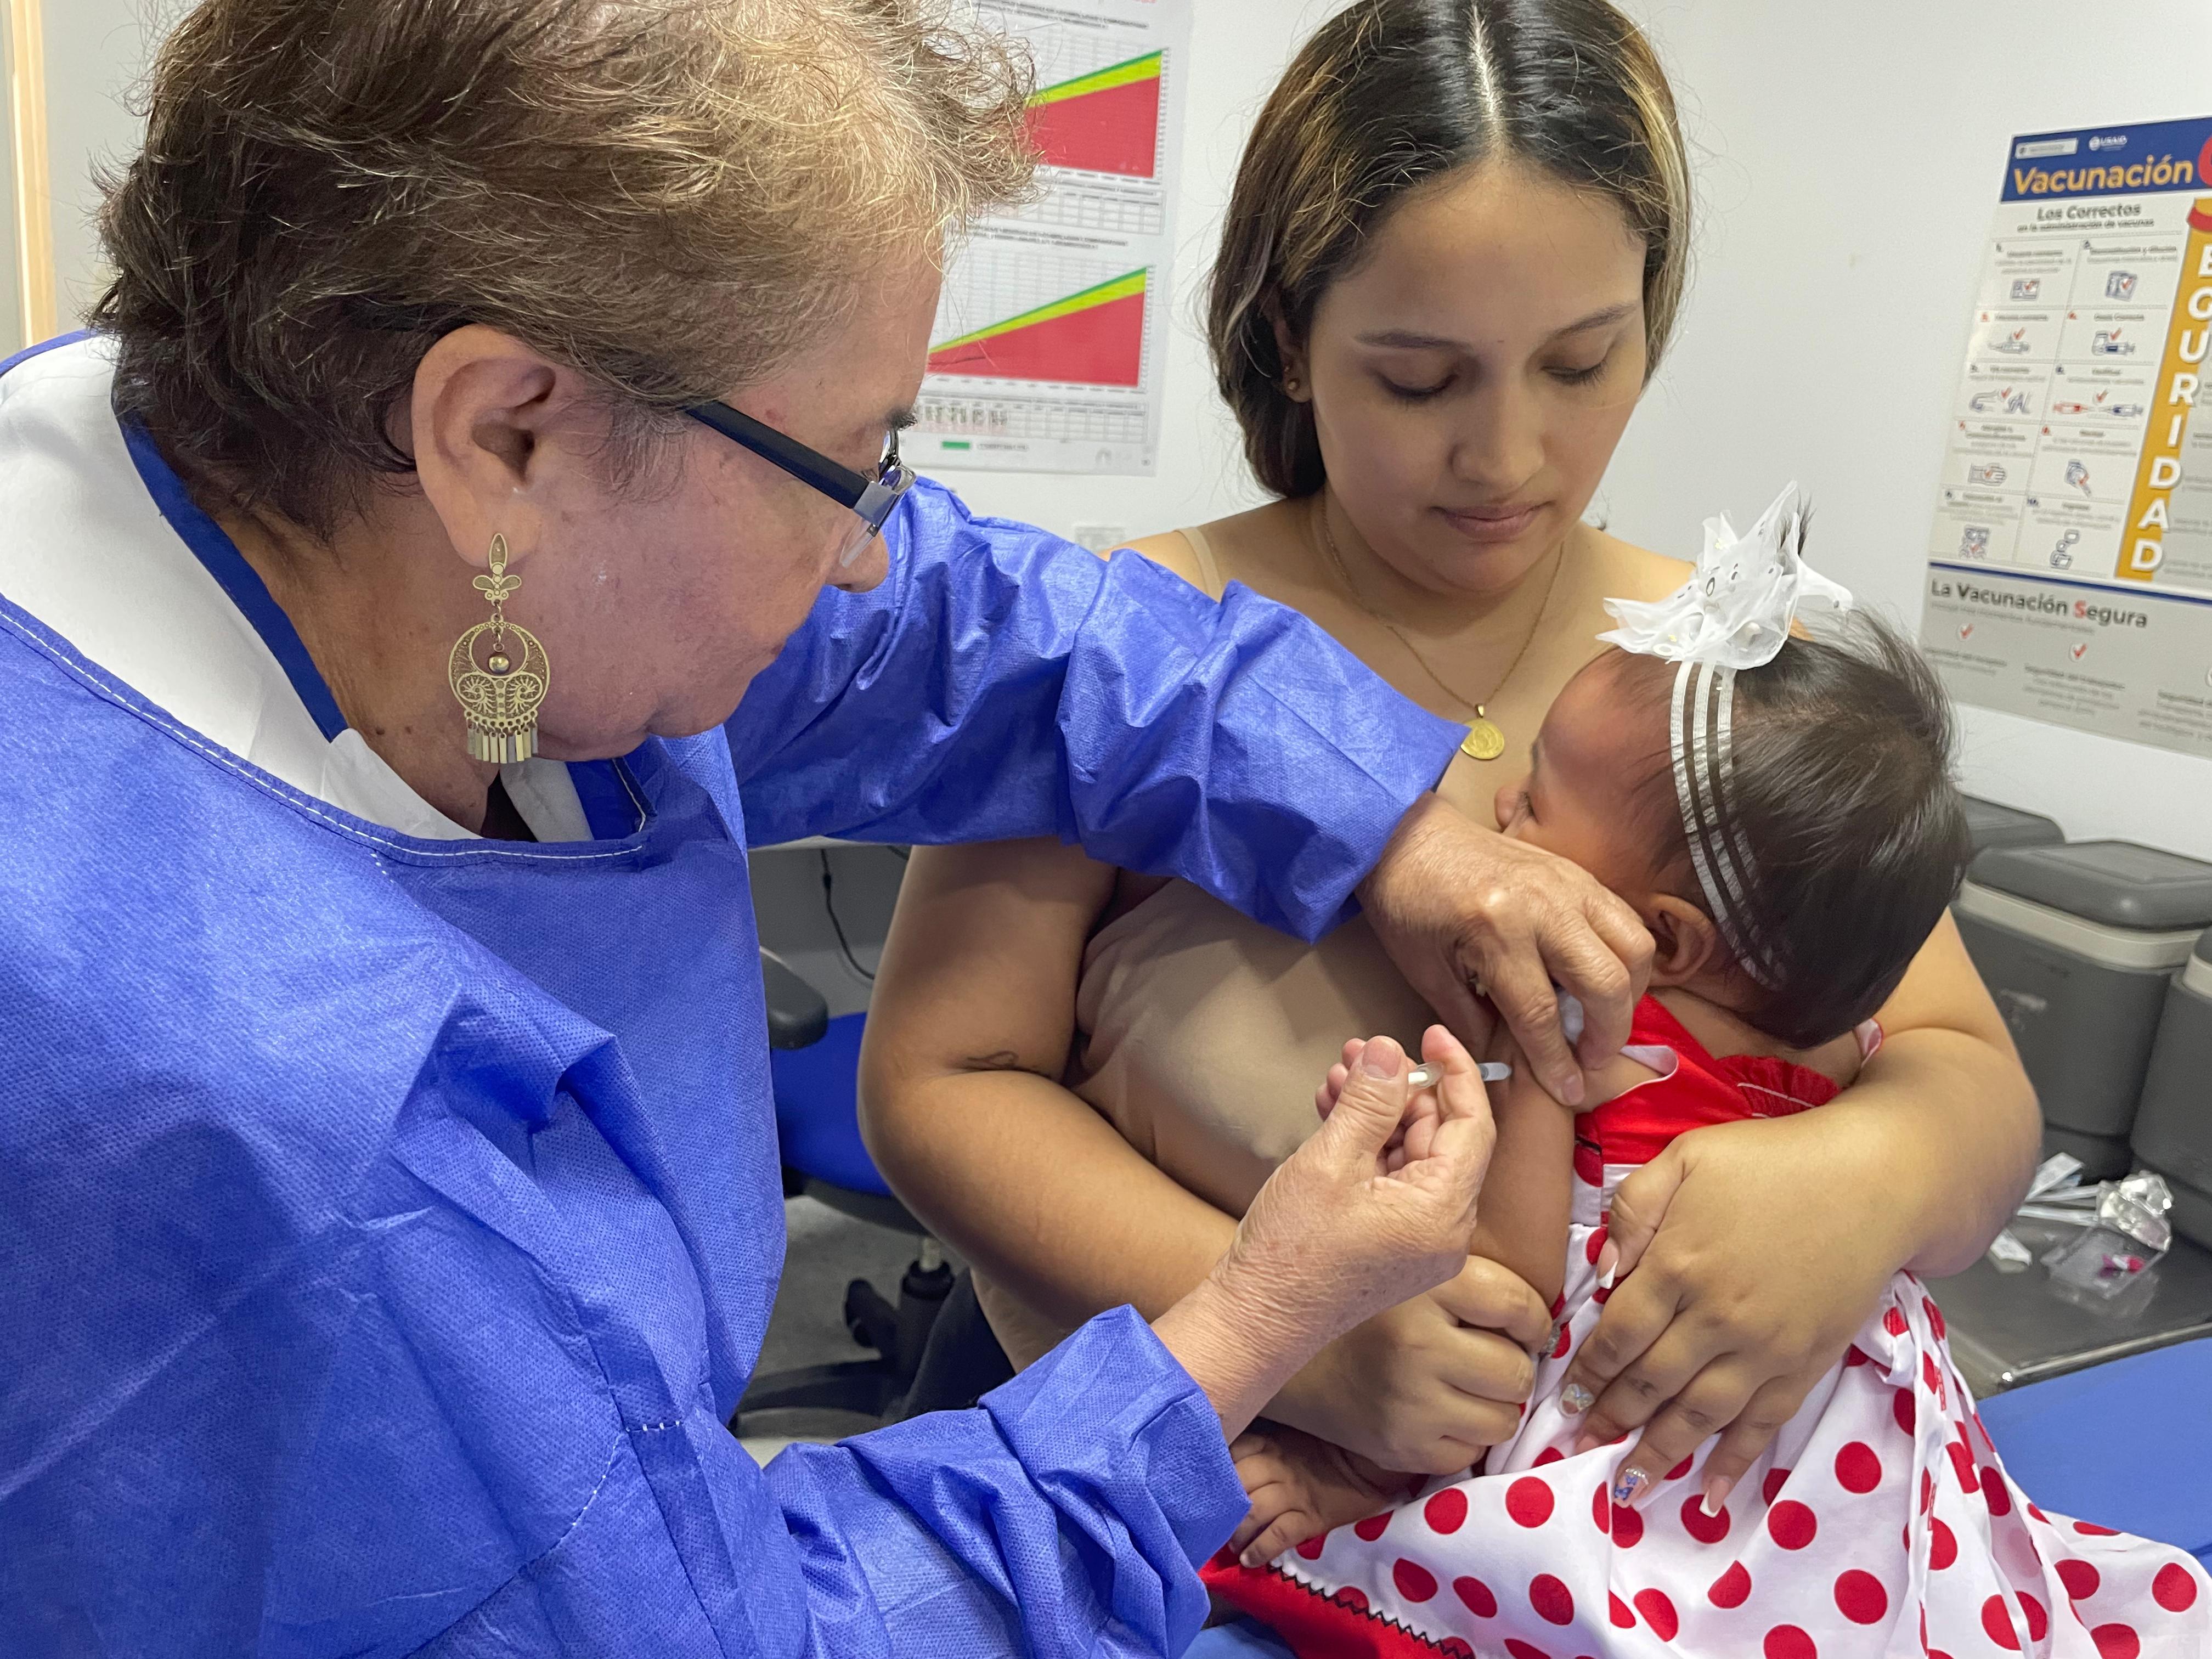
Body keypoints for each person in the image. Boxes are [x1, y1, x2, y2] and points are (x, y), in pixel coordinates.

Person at [0, 3, 1652, 1653]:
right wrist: (1252, 1329)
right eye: (854, 465)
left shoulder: (353, 499)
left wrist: (1389, 824)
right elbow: (700, 1623)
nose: (874, 552)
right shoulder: (284, 1125)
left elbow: (982, 639)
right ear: (504, 431)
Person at [861, 0, 2039, 1573]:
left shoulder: (1707, 671)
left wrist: (1867, 1179)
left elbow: (1962, 1066)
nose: (1510, 456)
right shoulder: (1122, 641)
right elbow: (938, 1084)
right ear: (1289, 333)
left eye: (1582, 361)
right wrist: (1290, 1325)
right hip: (1181, 1492)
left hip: (1598, 1572)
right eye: (1420, 379)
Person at [1204, 494, 2212, 1657]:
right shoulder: (1841, 1034)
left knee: (1506, 1457)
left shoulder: (1574, 1035)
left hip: (1619, 1422)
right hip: (1846, 1439)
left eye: (1536, 796)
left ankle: (1363, 1505)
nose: (1501, 809)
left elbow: (1515, 1275)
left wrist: (1409, 1143)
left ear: (1668, 941)